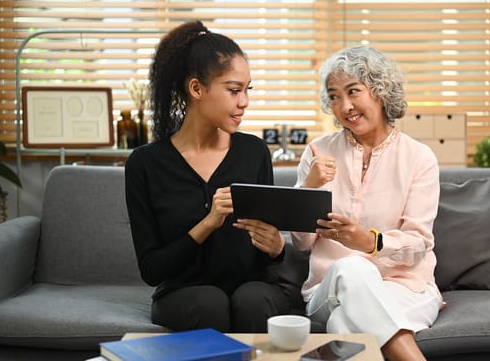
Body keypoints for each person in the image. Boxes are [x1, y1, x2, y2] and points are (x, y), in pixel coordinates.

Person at [124, 21, 290, 333]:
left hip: (251, 289)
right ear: (197, 89)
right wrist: (207, 223)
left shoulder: (254, 152)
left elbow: (267, 256)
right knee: (208, 302)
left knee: (253, 299)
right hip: (183, 295)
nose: (244, 102)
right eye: (233, 90)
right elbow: (152, 269)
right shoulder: (145, 164)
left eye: (247, 90)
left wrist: (277, 246)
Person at [291, 46, 443, 360]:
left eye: (353, 92)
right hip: (330, 290)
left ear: (381, 91)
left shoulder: (419, 158)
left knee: (343, 326)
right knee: (352, 267)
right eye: (334, 96)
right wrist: (309, 187)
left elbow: (419, 242)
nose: (344, 106)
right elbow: (302, 243)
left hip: (405, 287)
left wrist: (369, 241)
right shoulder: (318, 152)